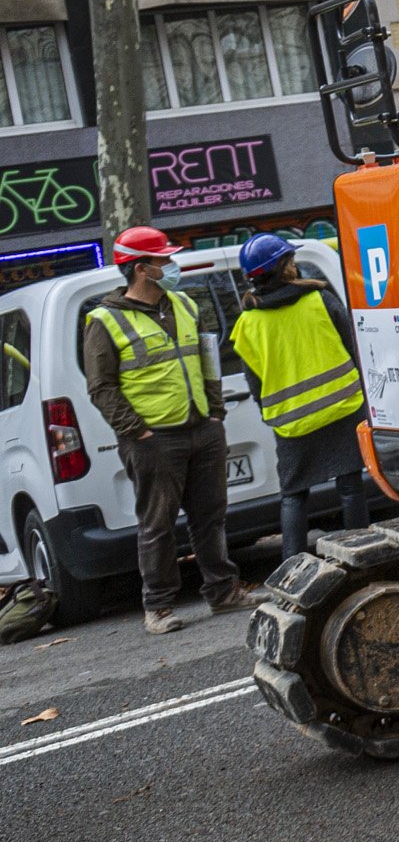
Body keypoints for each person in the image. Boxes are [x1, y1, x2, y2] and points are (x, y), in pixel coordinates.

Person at [82, 226, 246, 636]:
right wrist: (137, 432)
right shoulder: (105, 320)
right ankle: (157, 607)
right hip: (155, 439)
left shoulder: (184, 304)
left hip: (201, 429)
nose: (172, 265)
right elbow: (101, 387)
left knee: (211, 517)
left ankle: (223, 592)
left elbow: (208, 359)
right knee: (157, 524)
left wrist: (215, 412)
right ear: (141, 269)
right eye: (163, 260)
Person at [226, 232, 368, 560]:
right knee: (349, 486)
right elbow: (354, 347)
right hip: (342, 407)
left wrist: (272, 413)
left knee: (293, 494)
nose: (295, 263)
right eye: (290, 258)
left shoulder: (248, 323)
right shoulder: (320, 300)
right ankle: (359, 554)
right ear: (283, 266)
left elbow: (255, 381)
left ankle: (292, 566)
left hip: (291, 422)